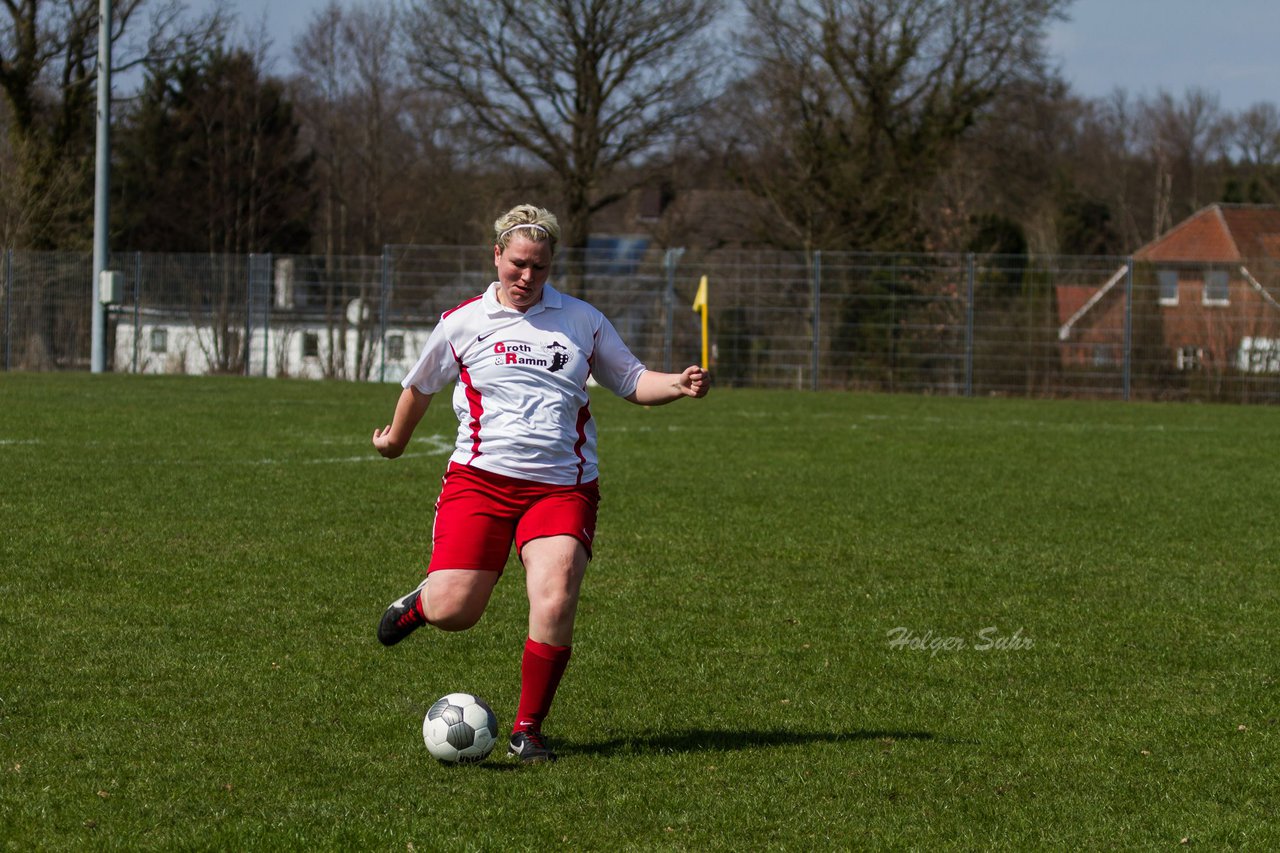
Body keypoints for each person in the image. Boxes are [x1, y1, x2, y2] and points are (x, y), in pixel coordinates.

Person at [372, 203, 709, 763]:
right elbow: (419, 385)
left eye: (541, 268)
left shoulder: (581, 320)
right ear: (496, 256)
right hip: (480, 482)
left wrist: (674, 382)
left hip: (562, 488)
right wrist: (396, 441)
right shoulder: (463, 321)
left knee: (555, 597)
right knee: (458, 611)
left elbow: (629, 379)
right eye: (518, 264)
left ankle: (527, 730)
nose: (527, 277)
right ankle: (420, 604)